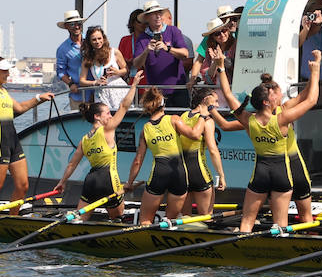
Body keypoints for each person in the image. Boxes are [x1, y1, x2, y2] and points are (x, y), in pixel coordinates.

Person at [209, 52, 321, 232]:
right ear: (267, 101)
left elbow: (228, 95)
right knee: (281, 226)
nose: (280, 94)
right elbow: (311, 100)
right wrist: (315, 70)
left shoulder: (249, 119)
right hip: (282, 170)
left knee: (247, 221)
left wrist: (221, 67)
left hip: (263, 171)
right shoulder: (283, 118)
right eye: (275, 93)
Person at [0, 29, 53, 214]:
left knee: (23, 185)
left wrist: (39, 98)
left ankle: (13, 217)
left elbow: (19, 108)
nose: (8, 73)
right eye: (5, 71)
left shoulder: (4, 91)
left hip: (13, 142)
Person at [59, 70, 144, 222]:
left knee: (80, 220)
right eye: (107, 113)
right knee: (117, 220)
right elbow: (124, 106)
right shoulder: (107, 129)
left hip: (90, 182)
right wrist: (134, 85)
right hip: (109, 181)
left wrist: (62, 182)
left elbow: (72, 164)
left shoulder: (84, 140)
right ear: (97, 117)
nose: (110, 116)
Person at [124, 87, 209, 226]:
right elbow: (195, 134)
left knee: (145, 221)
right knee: (169, 222)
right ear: (163, 103)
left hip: (159, 174)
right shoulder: (174, 120)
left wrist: (129, 183)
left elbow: (138, 161)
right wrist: (203, 116)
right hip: (179, 175)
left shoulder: (145, 129)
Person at [129, 0, 194, 107]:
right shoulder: (142, 38)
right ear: (147, 18)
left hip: (178, 89)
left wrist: (167, 48)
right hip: (156, 92)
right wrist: (146, 51)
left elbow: (185, 54)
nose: (158, 16)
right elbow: (136, 64)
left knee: (181, 121)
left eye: (159, 13)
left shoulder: (174, 31)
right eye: (154, 14)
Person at [175, 87, 226, 217]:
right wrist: (221, 176)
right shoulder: (207, 121)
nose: (218, 105)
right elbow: (213, 151)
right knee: (207, 218)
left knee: (185, 220)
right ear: (206, 100)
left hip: (182, 175)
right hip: (200, 175)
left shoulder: (183, 116)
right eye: (215, 101)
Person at [79, 26, 129, 111]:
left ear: (103, 38)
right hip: (101, 93)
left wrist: (118, 72)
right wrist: (95, 82)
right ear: (89, 42)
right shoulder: (88, 58)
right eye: (94, 40)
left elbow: (126, 70)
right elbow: (82, 81)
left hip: (118, 90)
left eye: (99, 38)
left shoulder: (114, 52)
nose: (97, 42)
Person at [189, 17, 235, 88]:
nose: (222, 35)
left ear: (228, 30)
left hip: (233, 89)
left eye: (224, 30)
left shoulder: (237, 45)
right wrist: (215, 63)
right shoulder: (209, 51)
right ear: (212, 37)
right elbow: (208, 79)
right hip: (217, 92)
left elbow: (237, 69)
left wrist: (222, 60)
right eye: (217, 34)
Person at [55, 9, 86, 110]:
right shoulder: (62, 49)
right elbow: (61, 72)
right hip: (77, 94)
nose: (76, 27)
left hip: (97, 92)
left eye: (78, 23)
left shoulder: (92, 40)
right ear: (66, 27)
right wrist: (70, 84)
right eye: (72, 24)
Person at [115, 8, 146, 73]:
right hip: (130, 78)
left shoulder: (150, 40)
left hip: (147, 78)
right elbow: (118, 61)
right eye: (140, 21)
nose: (143, 24)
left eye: (145, 21)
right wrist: (128, 62)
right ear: (133, 23)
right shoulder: (125, 40)